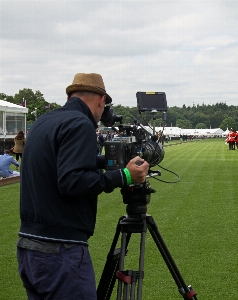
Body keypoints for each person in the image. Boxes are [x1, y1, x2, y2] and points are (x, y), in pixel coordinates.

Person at [17, 73, 149, 299]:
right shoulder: (80, 123)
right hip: (61, 250)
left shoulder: (44, 122)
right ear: (101, 100)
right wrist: (125, 175)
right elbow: (72, 182)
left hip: (29, 246)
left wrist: (107, 161)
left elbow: (58, 164)